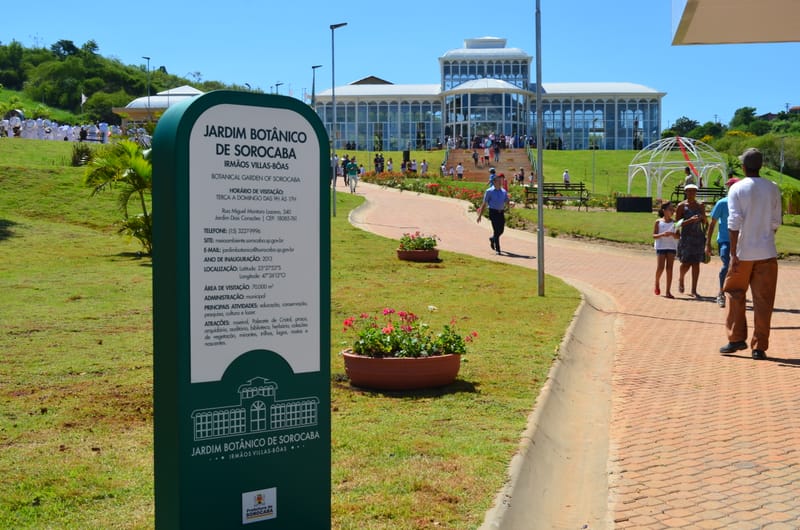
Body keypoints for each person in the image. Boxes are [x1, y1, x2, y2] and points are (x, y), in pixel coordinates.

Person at [719, 148, 781, 360]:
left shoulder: (737, 188)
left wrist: (734, 254)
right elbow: (775, 222)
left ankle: (737, 338)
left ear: (744, 167)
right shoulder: (773, 188)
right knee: (764, 301)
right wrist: (764, 236)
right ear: (760, 166)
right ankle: (759, 347)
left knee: (734, 292)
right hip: (767, 252)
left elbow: (733, 223)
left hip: (743, 252)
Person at [705, 176, 739, 308]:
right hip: (725, 240)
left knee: (738, 267)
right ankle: (721, 293)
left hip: (740, 241)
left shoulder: (743, 203)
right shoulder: (722, 203)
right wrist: (707, 244)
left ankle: (735, 293)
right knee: (727, 264)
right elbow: (712, 224)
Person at [675, 184, 707, 297]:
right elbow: (677, 224)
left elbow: (705, 222)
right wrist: (690, 220)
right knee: (686, 264)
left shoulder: (700, 205)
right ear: (686, 192)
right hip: (686, 237)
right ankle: (681, 278)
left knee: (696, 264)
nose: (692, 193)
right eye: (689, 191)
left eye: (694, 191)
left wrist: (703, 218)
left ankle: (694, 289)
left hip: (698, 237)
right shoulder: (681, 206)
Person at [476, 172, 509, 255]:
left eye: (500, 181)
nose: (500, 182)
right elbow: (484, 204)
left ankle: (492, 239)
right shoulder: (489, 191)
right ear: (494, 182)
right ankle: (498, 249)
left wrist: (510, 203)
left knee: (501, 230)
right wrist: (480, 215)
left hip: (501, 213)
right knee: (496, 230)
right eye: (498, 181)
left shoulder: (503, 191)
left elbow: (506, 200)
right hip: (493, 212)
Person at [653, 201, 679, 298]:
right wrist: (662, 234)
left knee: (669, 268)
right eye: (670, 209)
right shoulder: (658, 222)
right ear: (664, 211)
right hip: (661, 246)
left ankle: (668, 291)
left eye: (673, 209)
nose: (672, 211)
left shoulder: (675, 223)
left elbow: (678, 236)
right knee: (660, 267)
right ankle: (657, 282)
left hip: (671, 246)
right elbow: (654, 235)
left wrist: (672, 234)